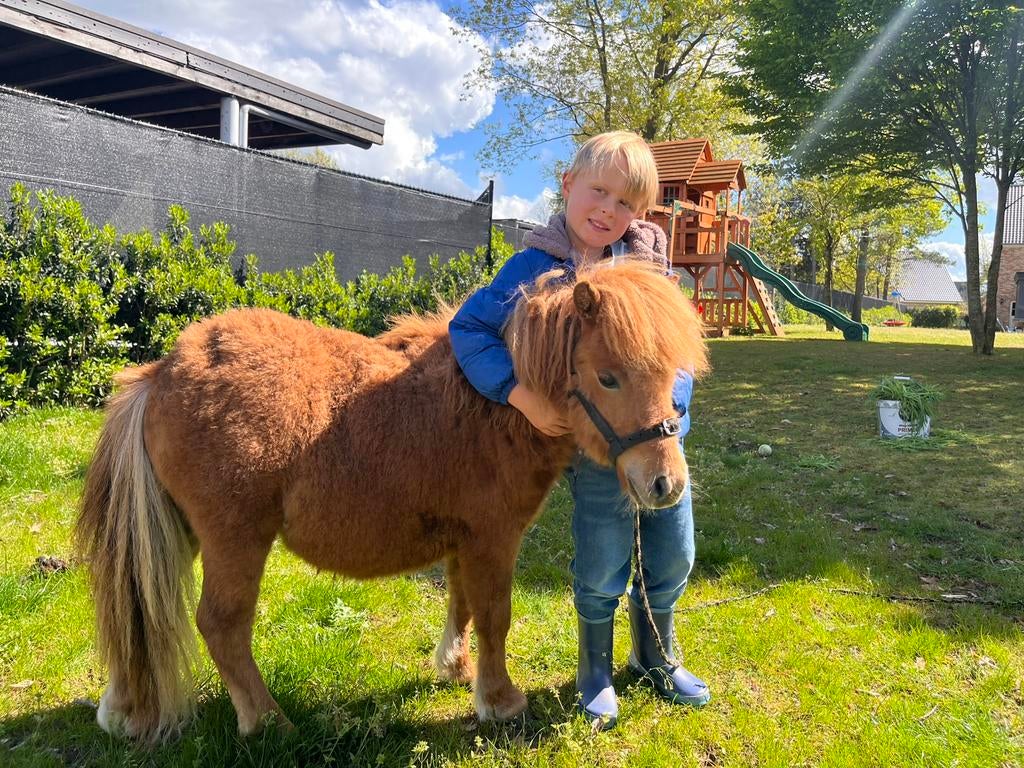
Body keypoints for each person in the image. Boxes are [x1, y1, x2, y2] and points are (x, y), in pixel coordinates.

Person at [449, 131, 709, 729]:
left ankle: (658, 656)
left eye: (625, 204)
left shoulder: (649, 268)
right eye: (598, 192)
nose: (608, 211)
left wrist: (670, 410)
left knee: (672, 552)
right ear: (568, 186)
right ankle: (595, 671)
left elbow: (680, 357)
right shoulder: (533, 266)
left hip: (657, 436)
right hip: (593, 448)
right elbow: (470, 330)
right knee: (600, 560)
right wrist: (518, 395)